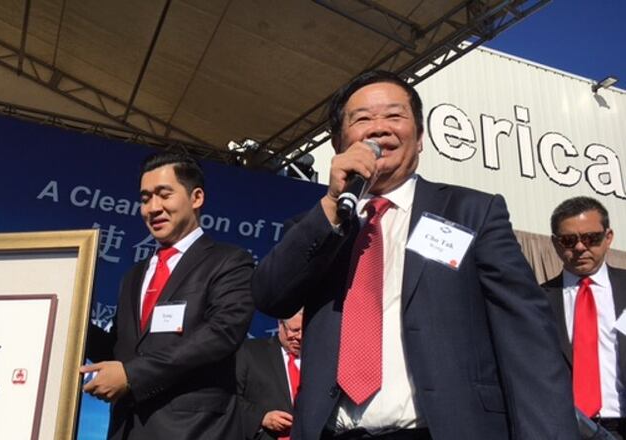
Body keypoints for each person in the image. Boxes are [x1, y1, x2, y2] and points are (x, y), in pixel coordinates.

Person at [251, 70, 578, 440]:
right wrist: (330, 204)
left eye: (394, 115)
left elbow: (527, 338)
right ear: (339, 142)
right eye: (362, 119)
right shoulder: (320, 223)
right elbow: (270, 295)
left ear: (420, 138)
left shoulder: (471, 212)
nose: (379, 128)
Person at [82, 152, 255, 440]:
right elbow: (122, 350)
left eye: (164, 195)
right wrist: (72, 321)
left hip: (193, 429)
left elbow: (222, 333)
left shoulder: (229, 262)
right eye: (145, 198)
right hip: (127, 429)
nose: (153, 208)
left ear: (196, 198)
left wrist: (133, 375)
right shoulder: (134, 275)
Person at [543, 196, 626, 438]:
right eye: (569, 240)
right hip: (565, 428)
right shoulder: (536, 301)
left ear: (608, 237)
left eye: (591, 238)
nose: (580, 247)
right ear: (555, 243)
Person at [236, 310, 303, 440]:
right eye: (294, 330)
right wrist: (261, 418)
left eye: (304, 331)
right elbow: (229, 397)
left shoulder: (320, 360)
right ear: (280, 324)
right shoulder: (250, 352)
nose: (299, 337)